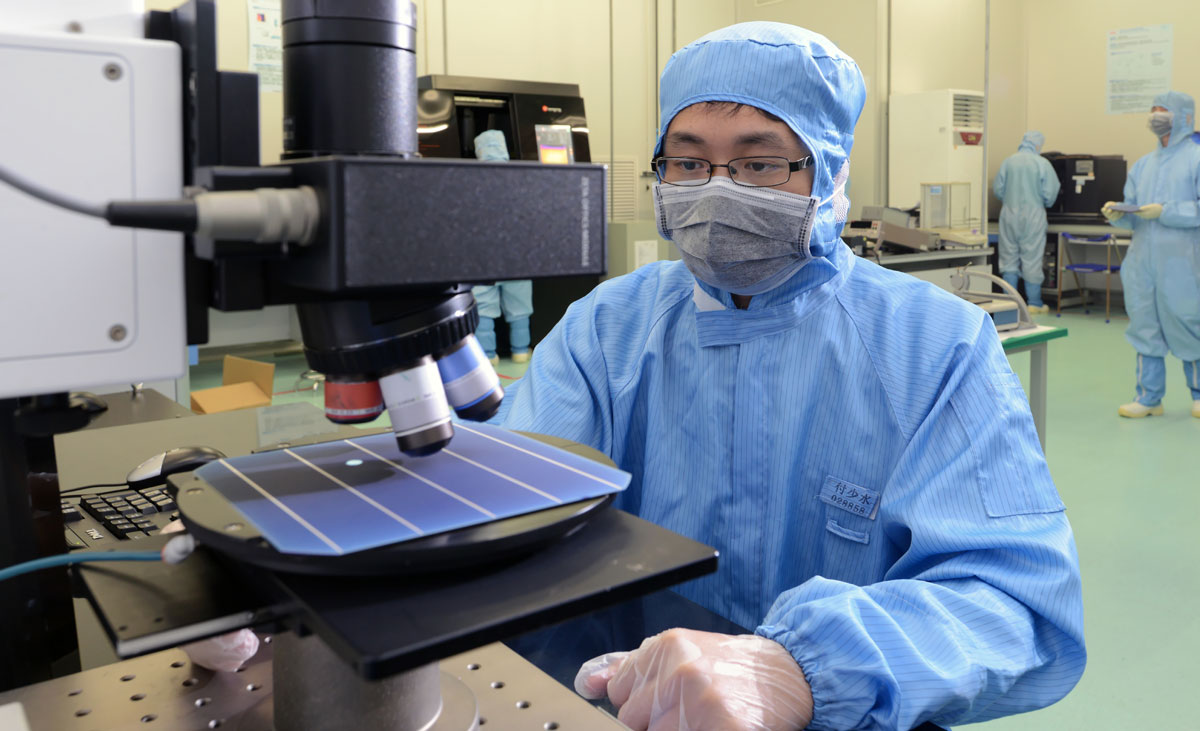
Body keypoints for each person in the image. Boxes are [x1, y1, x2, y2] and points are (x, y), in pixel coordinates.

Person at [495, 22, 1085, 731]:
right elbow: (511, 516)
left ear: (831, 169)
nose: (716, 192)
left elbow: (1013, 601)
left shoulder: (934, 345)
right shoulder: (607, 329)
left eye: (759, 165)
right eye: (687, 164)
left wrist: (804, 666)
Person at [1101, 91, 1200, 419]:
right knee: (1144, 326)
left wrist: (1166, 211)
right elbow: (1136, 211)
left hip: (1183, 261)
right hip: (1143, 260)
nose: (1156, 115)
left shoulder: (1196, 158)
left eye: (1163, 110)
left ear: (1184, 115)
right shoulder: (1143, 165)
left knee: (1190, 323)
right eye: (1153, 109)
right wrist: (1119, 214)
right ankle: (1148, 397)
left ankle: (1198, 394)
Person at [470, 130, 535, 365]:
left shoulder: (472, 187)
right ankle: (520, 351)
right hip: (517, 258)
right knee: (519, 306)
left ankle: (488, 356)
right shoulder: (519, 184)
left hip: (483, 258)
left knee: (483, 306)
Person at [993, 131, 1060, 313]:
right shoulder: (1042, 163)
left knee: (1008, 258)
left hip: (1008, 214)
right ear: (1038, 145)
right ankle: (1034, 303)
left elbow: (998, 189)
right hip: (1033, 215)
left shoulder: (1008, 162)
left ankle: (1009, 302)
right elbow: (1051, 193)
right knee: (1032, 258)